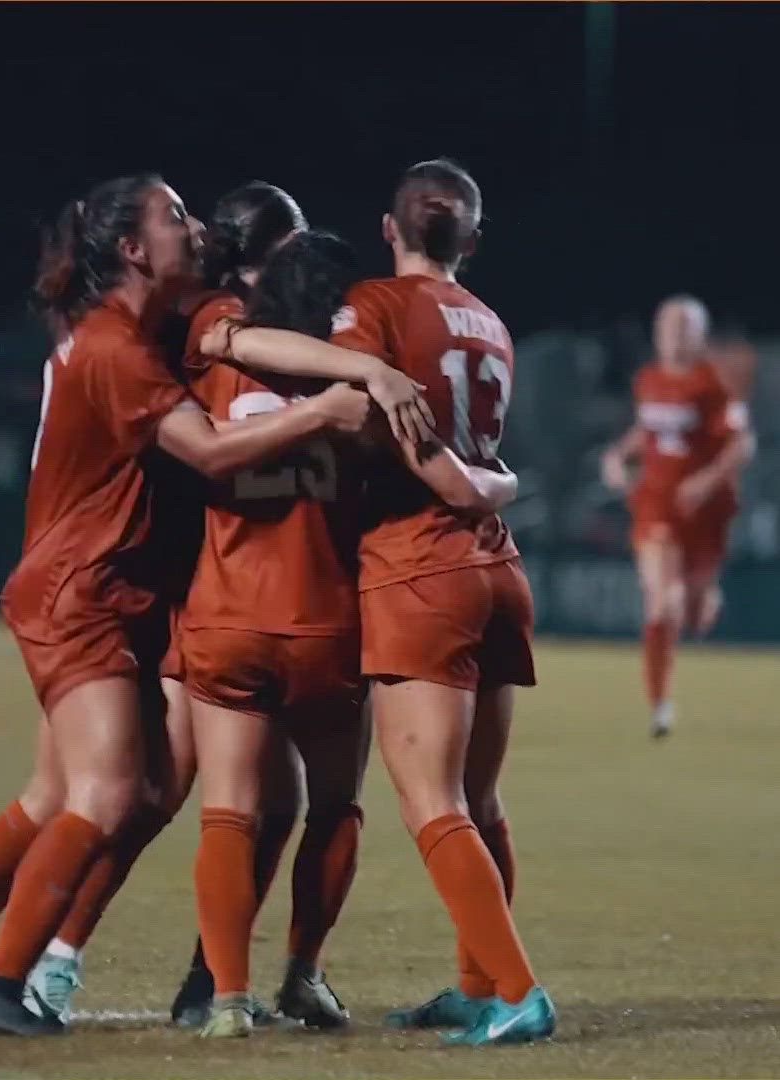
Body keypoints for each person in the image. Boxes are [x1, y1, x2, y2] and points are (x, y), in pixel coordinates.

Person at [0, 174, 377, 1035]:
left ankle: (17, 968)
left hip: (115, 584)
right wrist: (344, 392)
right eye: (172, 215)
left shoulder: (147, 326)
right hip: (88, 590)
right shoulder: (133, 342)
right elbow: (215, 451)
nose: (192, 225)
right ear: (132, 249)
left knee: (71, 795)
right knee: (118, 792)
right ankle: (9, 984)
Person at [185, 213, 521, 1038]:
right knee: (336, 807)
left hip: (225, 614)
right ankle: (304, 973)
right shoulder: (366, 405)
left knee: (227, 807)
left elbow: (194, 450)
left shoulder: (210, 366)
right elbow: (446, 481)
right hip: (329, 625)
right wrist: (502, 482)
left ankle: (225, 997)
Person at [319, 159, 556, 1045]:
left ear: (390, 231)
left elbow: (355, 402)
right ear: (474, 239)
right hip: (498, 571)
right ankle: (480, 984)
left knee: (430, 801)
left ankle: (521, 991)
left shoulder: (374, 303)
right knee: (480, 802)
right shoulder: (491, 323)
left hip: (419, 565)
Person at [600, 297, 755, 737]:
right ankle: (660, 705)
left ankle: (706, 594)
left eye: (684, 326)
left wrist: (706, 481)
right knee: (661, 603)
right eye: (667, 324)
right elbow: (646, 429)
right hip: (656, 504)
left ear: (700, 335)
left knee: (690, 610)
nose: (673, 333)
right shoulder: (647, 379)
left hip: (707, 512)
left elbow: (742, 444)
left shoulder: (715, 382)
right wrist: (618, 455)